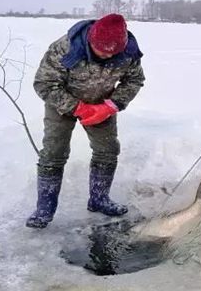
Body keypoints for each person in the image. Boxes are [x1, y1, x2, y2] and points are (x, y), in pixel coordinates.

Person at [26, 13, 145, 229]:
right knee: (53, 153)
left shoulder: (129, 53)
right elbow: (43, 83)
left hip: (101, 105)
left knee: (108, 150)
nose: (106, 56)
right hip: (61, 104)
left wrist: (110, 106)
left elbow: (135, 80)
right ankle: (44, 210)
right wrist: (78, 107)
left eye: (112, 53)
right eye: (101, 51)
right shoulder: (65, 47)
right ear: (92, 39)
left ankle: (99, 199)